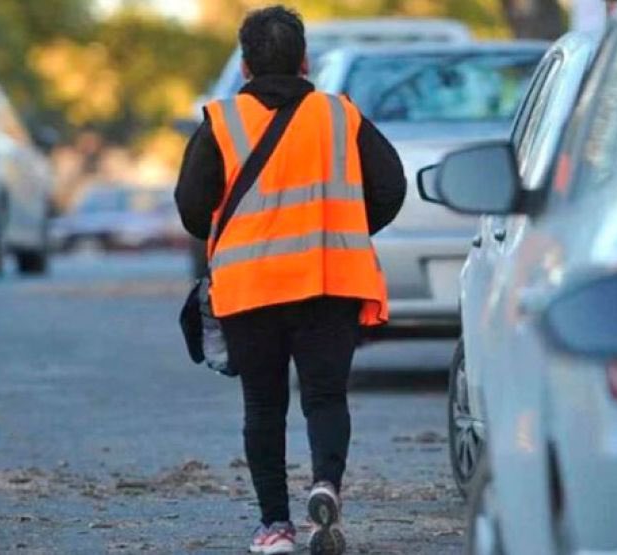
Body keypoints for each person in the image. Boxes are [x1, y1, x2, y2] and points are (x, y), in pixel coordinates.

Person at [174, 5, 406, 554]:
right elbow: (391, 187)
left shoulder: (222, 121)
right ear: (305, 61)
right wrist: (343, 223)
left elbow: (190, 208)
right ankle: (325, 485)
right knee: (325, 397)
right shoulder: (339, 115)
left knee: (264, 405)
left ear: (247, 65)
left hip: (250, 288)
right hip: (330, 280)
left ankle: (275, 527)